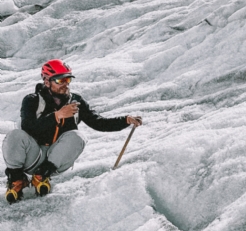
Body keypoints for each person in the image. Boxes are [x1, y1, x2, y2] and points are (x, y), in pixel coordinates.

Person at [3, 59, 142, 203]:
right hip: (33, 155)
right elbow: (27, 127)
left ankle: (41, 177)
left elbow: (98, 122)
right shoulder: (32, 100)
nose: (65, 84)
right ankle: (17, 179)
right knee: (15, 135)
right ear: (46, 81)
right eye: (59, 80)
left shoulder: (76, 101)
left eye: (67, 79)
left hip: (56, 159)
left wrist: (125, 120)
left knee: (77, 136)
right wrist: (57, 116)